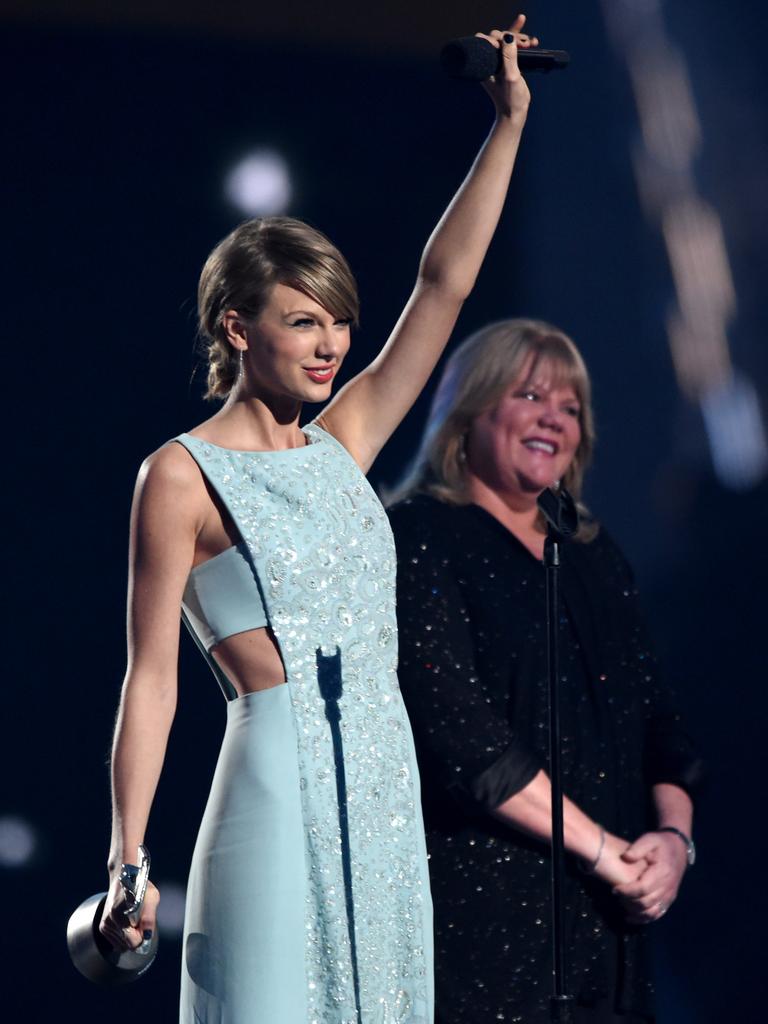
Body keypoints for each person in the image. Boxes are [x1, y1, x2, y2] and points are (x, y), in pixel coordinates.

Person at [97, 19, 538, 1024]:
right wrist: (128, 854)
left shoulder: (346, 441)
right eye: (305, 319)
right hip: (269, 784)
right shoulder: (178, 475)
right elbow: (152, 676)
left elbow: (444, 285)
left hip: (385, 783)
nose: (333, 341)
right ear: (237, 326)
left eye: (338, 319)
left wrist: (507, 123)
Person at [387, 319, 702, 1024]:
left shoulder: (592, 553)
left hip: (611, 924)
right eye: (532, 396)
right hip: (488, 920)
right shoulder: (419, 537)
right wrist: (604, 851)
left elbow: (662, 724)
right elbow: (461, 738)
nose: (554, 420)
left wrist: (673, 844)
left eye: (570, 408)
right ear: (471, 409)